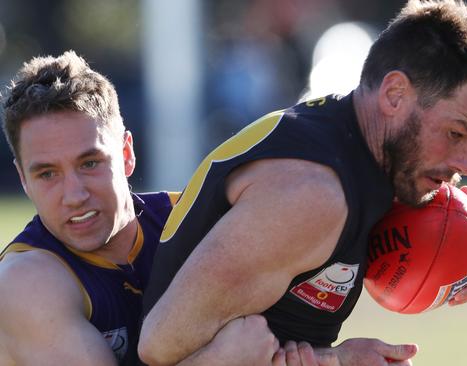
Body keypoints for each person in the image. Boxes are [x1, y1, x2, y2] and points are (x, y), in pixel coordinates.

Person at [138, 1, 467, 365]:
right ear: (394, 94)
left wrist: (466, 239)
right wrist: (336, 359)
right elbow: (160, 347)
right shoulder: (312, 195)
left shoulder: (362, 145)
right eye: (456, 135)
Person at [0, 51, 281, 366]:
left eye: (90, 163)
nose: (74, 195)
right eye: (47, 174)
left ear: (126, 153)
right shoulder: (23, 283)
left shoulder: (194, 222)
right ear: (24, 179)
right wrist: (219, 360)